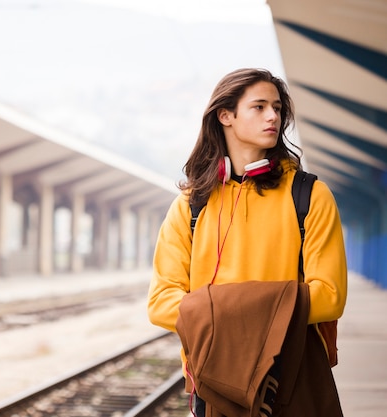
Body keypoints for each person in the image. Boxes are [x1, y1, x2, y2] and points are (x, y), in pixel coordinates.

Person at [147, 68, 347, 416]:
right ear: (225, 115)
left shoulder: (310, 196)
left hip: (292, 381)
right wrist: (267, 309)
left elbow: (330, 297)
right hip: (213, 382)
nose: (274, 116)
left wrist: (218, 311)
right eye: (259, 107)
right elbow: (161, 303)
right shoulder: (191, 204)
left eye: (278, 108)